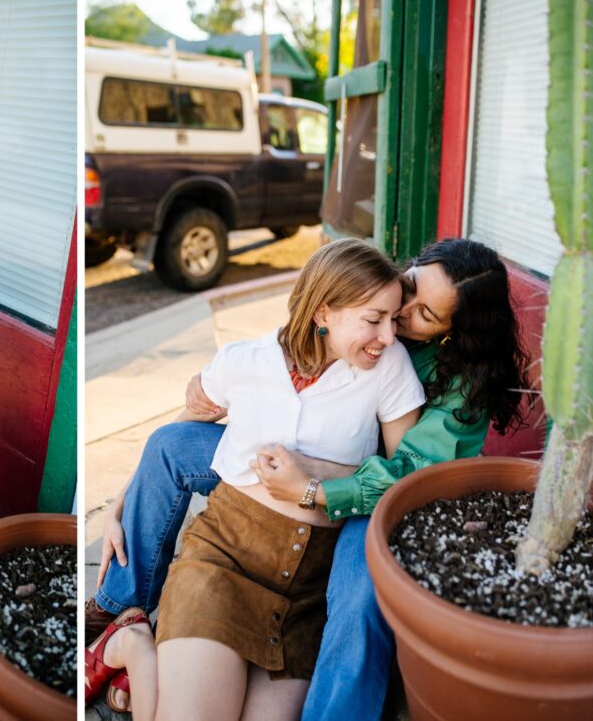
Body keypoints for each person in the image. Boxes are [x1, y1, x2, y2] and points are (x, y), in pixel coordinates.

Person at [85, 238, 530, 720]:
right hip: (278, 485)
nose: (400, 317)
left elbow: (409, 477)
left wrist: (312, 485)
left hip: (370, 494)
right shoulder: (370, 306)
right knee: (170, 447)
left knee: (359, 587)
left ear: (452, 334)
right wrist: (122, 499)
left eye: (424, 315)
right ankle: (121, 604)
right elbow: (254, 382)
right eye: (411, 289)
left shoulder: (446, 380)